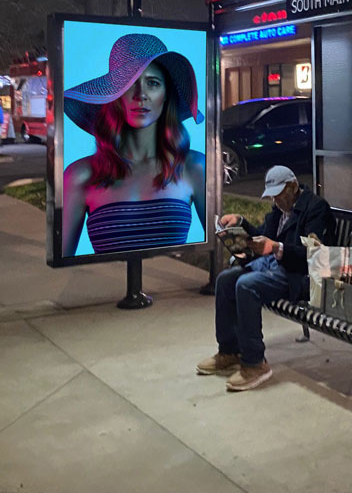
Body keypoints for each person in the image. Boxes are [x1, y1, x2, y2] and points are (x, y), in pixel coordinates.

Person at [62, 33, 205, 257]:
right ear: (115, 96)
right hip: (108, 290)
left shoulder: (194, 167)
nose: (141, 95)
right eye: (130, 83)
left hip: (169, 290)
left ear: (166, 94)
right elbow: (61, 264)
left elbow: (220, 252)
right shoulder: (80, 175)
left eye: (153, 83)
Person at [197, 164, 335, 392]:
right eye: (272, 197)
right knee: (225, 280)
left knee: (246, 285)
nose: (276, 201)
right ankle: (230, 351)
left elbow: (315, 255)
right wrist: (240, 224)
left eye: (279, 195)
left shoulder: (316, 208)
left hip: (300, 276)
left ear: (292, 187)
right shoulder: (279, 211)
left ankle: (255, 363)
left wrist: (278, 248)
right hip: (275, 269)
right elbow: (263, 235)